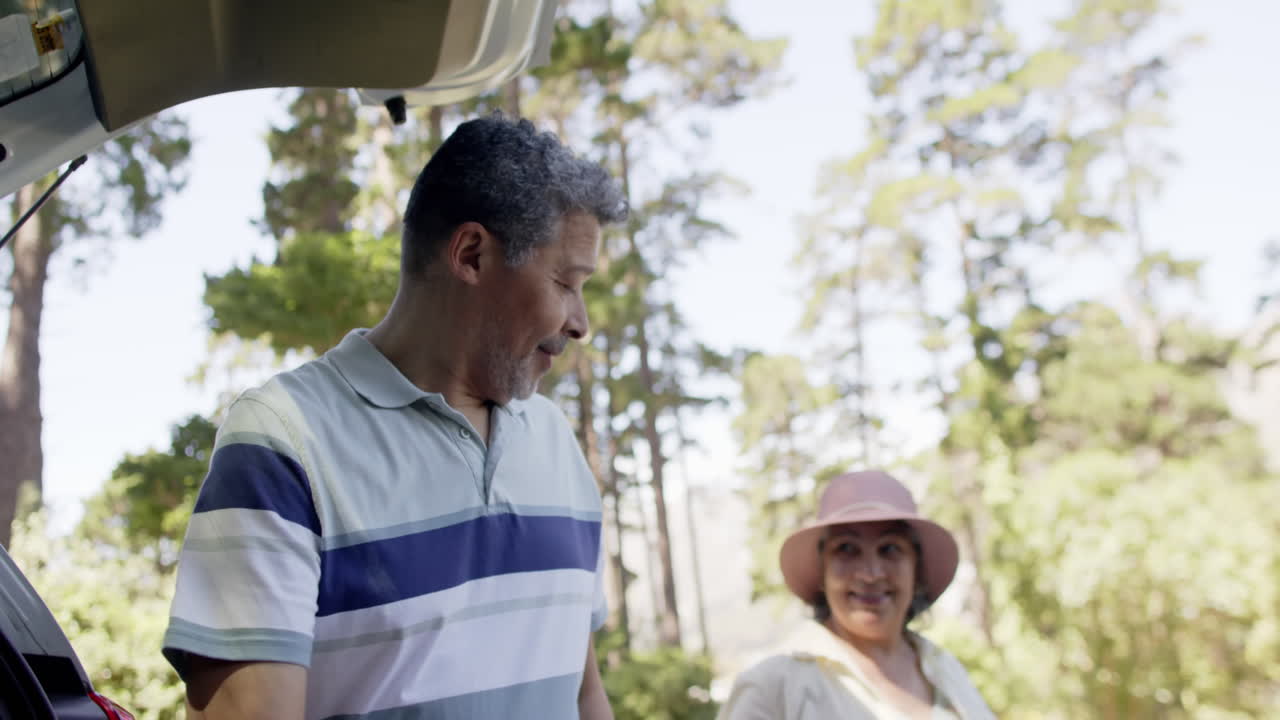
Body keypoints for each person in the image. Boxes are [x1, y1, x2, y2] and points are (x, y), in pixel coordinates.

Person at [162, 114, 628, 720]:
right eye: (567, 281)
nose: (580, 322)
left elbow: (583, 692)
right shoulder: (282, 443)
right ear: (471, 254)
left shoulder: (556, 445)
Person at [717, 470, 995, 720]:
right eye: (847, 549)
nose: (871, 574)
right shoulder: (774, 686)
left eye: (890, 549)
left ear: (916, 569)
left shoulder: (945, 668)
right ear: (821, 569)